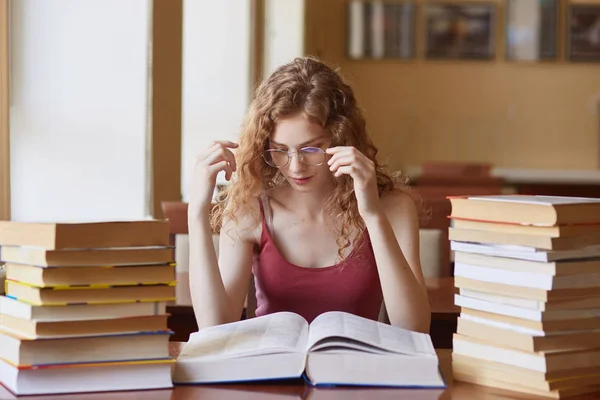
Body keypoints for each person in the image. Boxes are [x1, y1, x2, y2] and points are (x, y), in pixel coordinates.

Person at [187, 57, 431, 333]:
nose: (294, 167)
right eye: (279, 150)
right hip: (272, 371)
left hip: (358, 371)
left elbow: (415, 329)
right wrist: (196, 212)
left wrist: (372, 215)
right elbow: (215, 326)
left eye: (310, 149)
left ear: (340, 138)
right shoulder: (251, 209)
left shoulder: (393, 208)